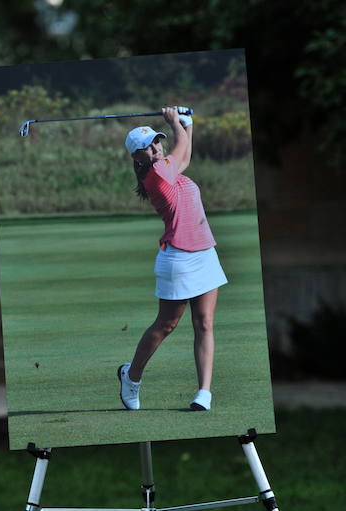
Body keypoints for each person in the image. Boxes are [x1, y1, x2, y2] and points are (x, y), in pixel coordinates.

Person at [117, 106, 227, 412]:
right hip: (178, 258)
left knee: (204, 323)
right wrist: (177, 124)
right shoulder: (156, 173)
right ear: (137, 158)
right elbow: (181, 152)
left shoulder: (169, 166)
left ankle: (203, 392)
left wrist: (188, 125)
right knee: (166, 324)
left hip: (205, 253)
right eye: (146, 147)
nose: (154, 148)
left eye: (156, 142)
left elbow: (185, 157)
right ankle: (132, 376)